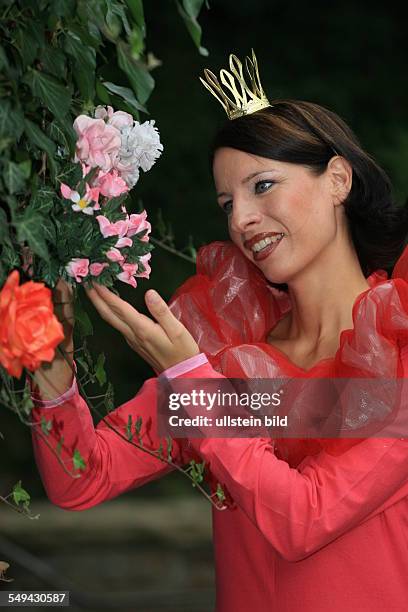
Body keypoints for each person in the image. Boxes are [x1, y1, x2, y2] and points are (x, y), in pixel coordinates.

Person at [30, 51, 408, 611]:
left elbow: (305, 519)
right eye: (227, 203)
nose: (240, 220)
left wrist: (192, 382)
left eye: (263, 186)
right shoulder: (231, 357)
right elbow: (82, 477)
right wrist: (50, 370)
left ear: (338, 180)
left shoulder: (397, 351)